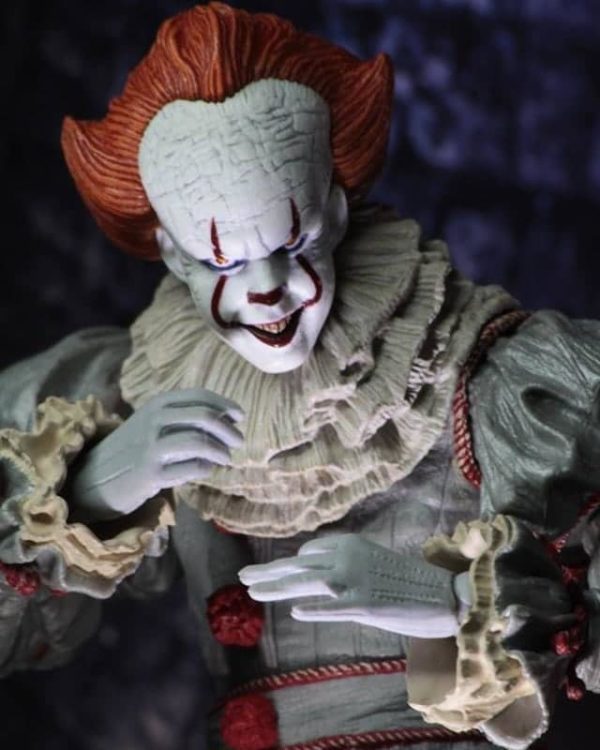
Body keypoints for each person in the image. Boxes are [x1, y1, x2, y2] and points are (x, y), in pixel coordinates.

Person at [1, 4, 599, 748]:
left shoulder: (486, 374)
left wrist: (452, 600)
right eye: (221, 261)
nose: (265, 291)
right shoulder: (131, 395)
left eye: (292, 245)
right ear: (175, 255)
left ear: (335, 215)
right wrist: (85, 492)